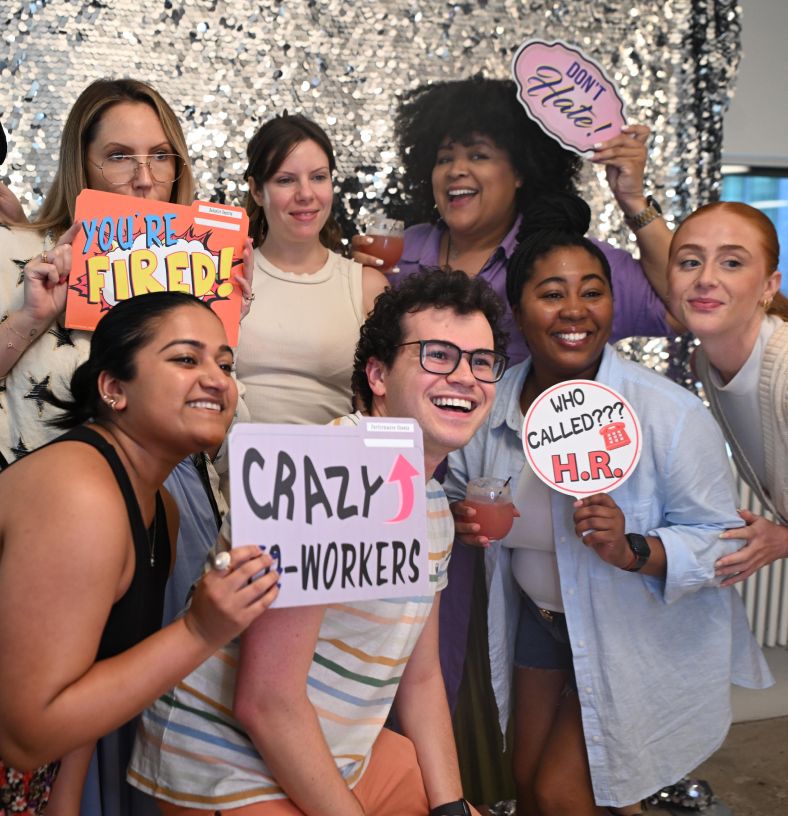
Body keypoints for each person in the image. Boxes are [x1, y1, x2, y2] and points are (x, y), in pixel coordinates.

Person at [127, 268, 507, 815]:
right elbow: (265, 702)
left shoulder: (433, 508)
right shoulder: (325, 473)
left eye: (481, 362)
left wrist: (452, 810)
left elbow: (421, 679)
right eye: (438, 355)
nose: (466, 376)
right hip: (226, 770)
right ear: (377, 375)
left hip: (341, 756)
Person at [445, 193, 772, 814]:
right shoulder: (487, 408)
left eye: (593, 292)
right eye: (551, 293)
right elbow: (455, 490)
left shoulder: (667, 414)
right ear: (516, 310)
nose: (575, 310)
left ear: (612, 304)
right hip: (539, 628)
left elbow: (724, 542)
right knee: (532, 792)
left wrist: (634, 548)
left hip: (643, 633)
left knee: (562, 792)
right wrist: (461, 517)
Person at [0, 76, 252, 815]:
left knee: (129, 727)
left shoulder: (206, 269)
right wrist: (31, 315)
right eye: (119, 155)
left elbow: (209, 414)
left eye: (160, 155)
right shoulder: (20, 253)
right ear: (82, 164)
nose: (145, 176)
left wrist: (224, 325)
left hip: (158, 515)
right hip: (44, 534)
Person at [0, 292, 280, 815]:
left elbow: (81, 704)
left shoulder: (161, 509)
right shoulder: (79, 494)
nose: (218, 379)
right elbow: (26, 736)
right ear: (113, 388)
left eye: (225, 363)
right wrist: (200, 630)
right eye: (185, 358)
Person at [236, 113, 388, 425]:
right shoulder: (227, 274)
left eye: (318, 177)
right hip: (230, 467)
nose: (306, 194)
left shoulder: (365, 285)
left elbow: (381, 407)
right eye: (285, 180)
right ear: (256, 191)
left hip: (334, 469)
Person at [667, 201, 788, 586]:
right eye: (689, 262)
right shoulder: (705, 361)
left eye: (732, 263)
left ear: (769, 285)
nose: (705, 278)